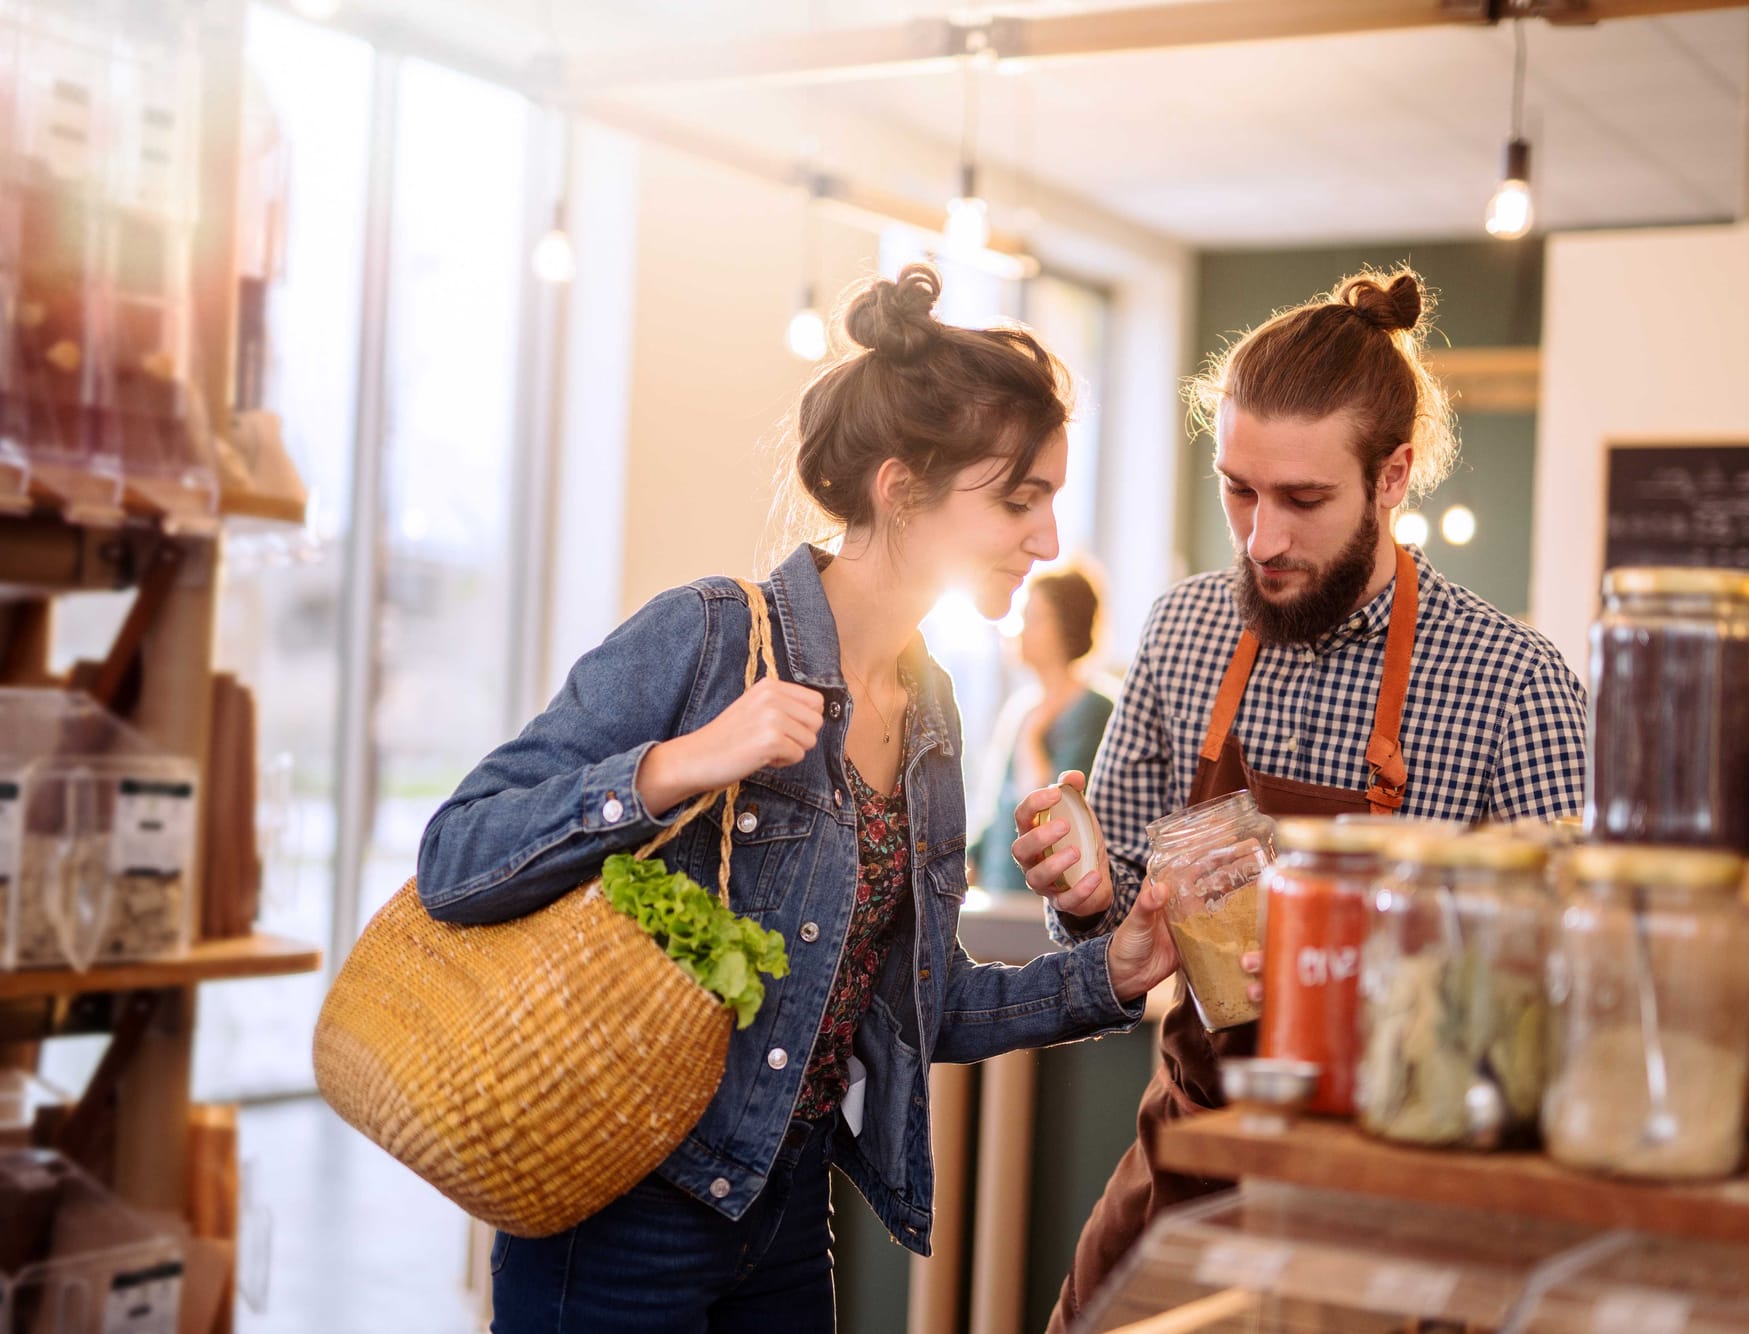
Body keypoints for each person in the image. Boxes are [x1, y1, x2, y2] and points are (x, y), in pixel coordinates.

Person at [415, 263, 1183, 1333]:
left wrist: (1110, 970)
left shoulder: (932, 712)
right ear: (899, 487)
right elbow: (455, 855)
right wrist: (674, 765)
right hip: (618, 1219)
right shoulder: (706, 636)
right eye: (1020, 497)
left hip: (781, 1216)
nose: (1048, 537)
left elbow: (927, 1005)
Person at [1009, 269, 1590, 1333]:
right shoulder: (1186, 632)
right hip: (1197, 1158)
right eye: (1238, 488)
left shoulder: (1512, 681)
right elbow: (1125, 910)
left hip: (1401, 1198)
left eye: (1303, 499)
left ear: (1392, 475)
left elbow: (1567, 983)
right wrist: (1091, 891)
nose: (1260, 538)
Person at [970, 567, 1117, 890]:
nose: (1019, 630)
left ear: (1066, 627)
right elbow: (999, 813)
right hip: (1000, 896)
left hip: (1044, 901)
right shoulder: (1022, 709)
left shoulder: (1094, 711)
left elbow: (1046, 812)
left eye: (1034, 618)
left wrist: (1032, 738)